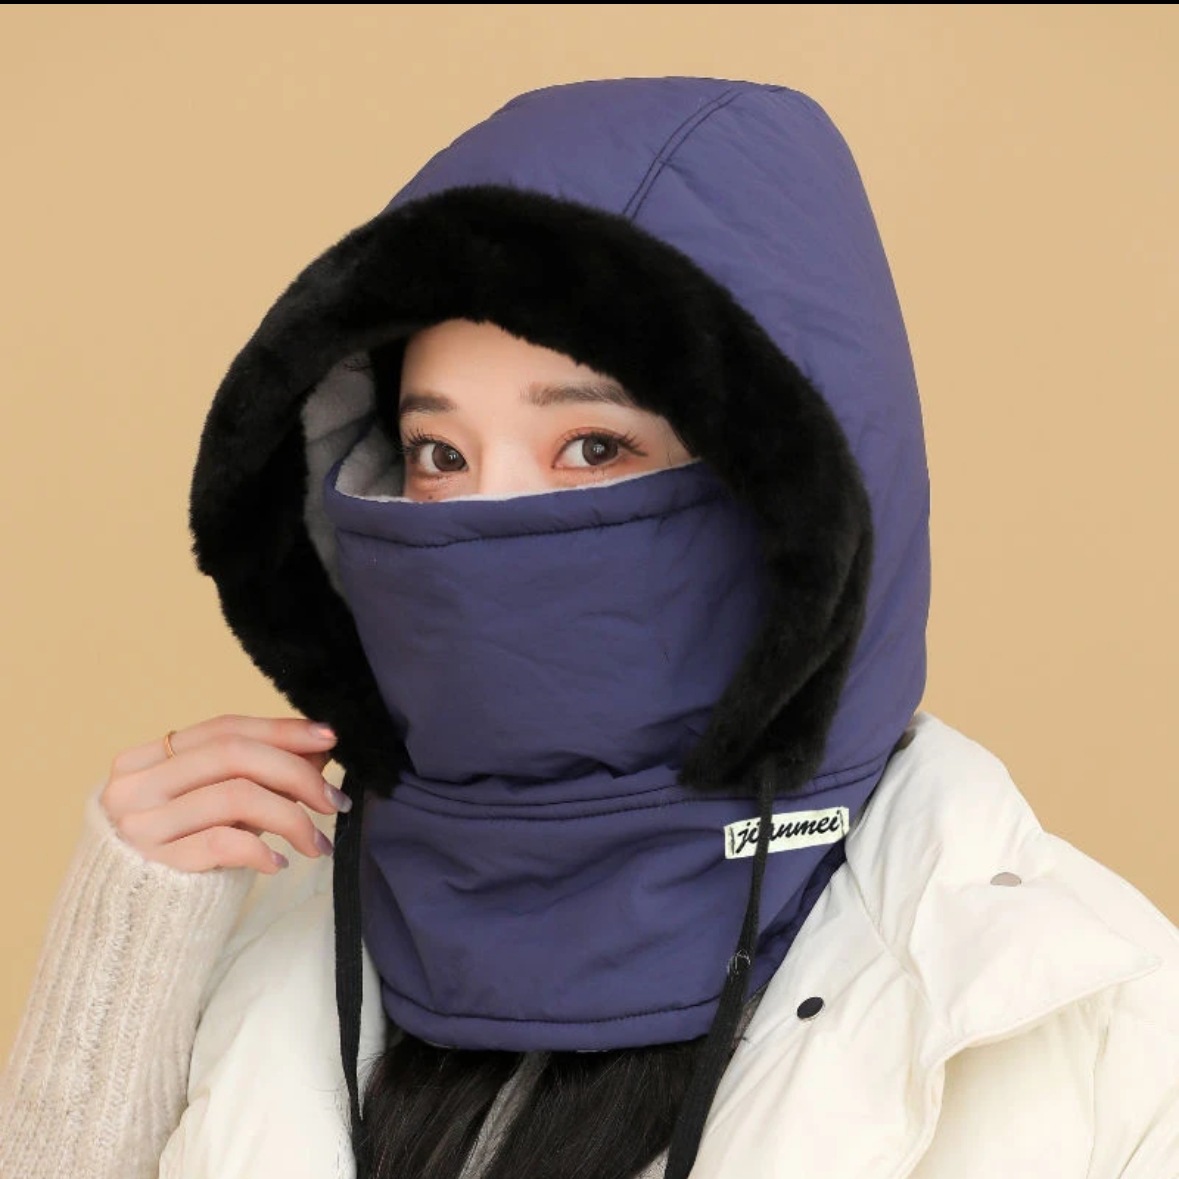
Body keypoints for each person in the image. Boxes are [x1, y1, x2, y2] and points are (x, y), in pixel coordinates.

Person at [1, 76, 1177, 1179]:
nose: (484, 520)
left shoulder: (1083, 1021)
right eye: (438, 453)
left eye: (594, 447)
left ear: (791, 494)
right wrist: (121, 966)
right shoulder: (283, 932)